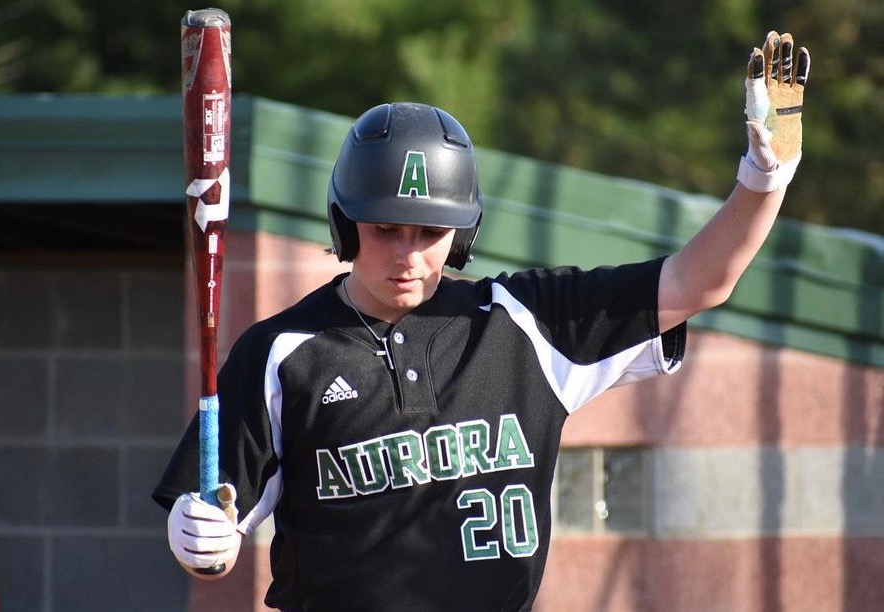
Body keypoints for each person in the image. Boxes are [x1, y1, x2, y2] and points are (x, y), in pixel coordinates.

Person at [153, 30, 810, 612]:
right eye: (385, 229)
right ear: (345, 224)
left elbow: (698, 282)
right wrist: (197, 532)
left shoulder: (523, 323)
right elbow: (216, 515)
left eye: (430, 232)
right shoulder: (283, 352)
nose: (409, 254)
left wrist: (762, 179)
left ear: (462, 235)